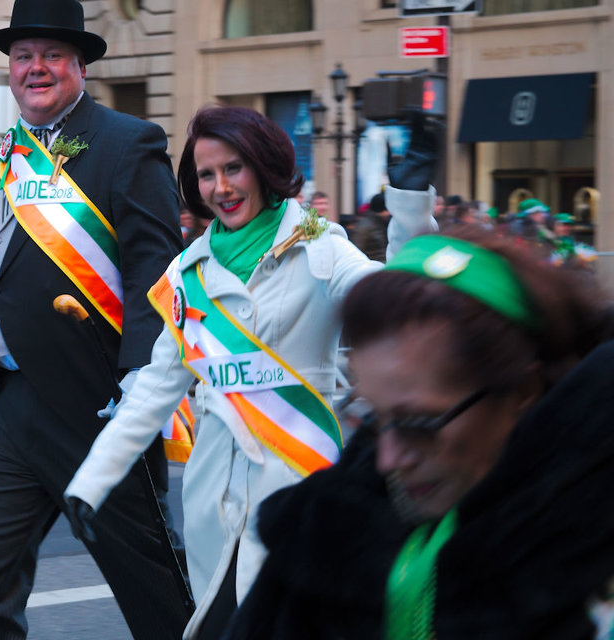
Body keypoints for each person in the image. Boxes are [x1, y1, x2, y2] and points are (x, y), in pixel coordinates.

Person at [63, 105, 437, 639]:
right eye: (206, 174)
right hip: (215, 496)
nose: (221, 187)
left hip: (302, 487)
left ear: (263, 166)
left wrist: (410, 212)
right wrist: (90, 483)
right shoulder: (187, 274)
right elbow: (154, 389)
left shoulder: (319, 248)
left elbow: (394, 302)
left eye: (233, 168)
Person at [0, 0, 193, 639]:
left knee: (154, 591)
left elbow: (154, 271)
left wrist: (142, 377)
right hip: (1, 405)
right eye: (23, 56)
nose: (36, 67)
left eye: (53, 54)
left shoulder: (127, 142)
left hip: (95, 404)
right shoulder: (7, 156)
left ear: (81, 67)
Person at [222, 227, 614, 639]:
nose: (389, 459)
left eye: (420, 425)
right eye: (375, 419)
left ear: (521, 391)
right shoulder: (321, 534)